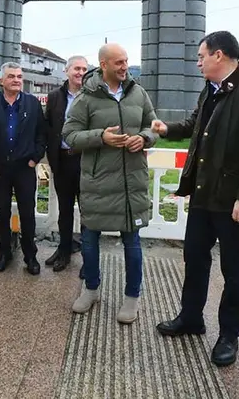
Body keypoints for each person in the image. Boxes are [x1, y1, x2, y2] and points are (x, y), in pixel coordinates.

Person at [153, 31, 239, 367]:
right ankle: (191, 317)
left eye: (201, 57)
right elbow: (196, 125)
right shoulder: (211, 89)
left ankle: (229, 335)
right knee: (195, 258)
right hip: (203, 194)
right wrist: (167, 129)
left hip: (233, 201)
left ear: (219, 55)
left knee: (234, 269)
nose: (198, 63)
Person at [62, 43, 157, 324]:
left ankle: (132, 297)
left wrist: (145, 138)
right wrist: (100, 137)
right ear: (103, 65)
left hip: (131, 182)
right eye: (119, 62)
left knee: (132, 243)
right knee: (90, 241)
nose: (125, 67)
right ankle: (91, 289)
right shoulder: (86, 97)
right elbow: (69, 134)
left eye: (126, 61)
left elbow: (153, 125)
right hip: (98, 183)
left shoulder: (138, 93)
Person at [0, 62, 47, 275]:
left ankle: (30, 255)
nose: (16, 80)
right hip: (0, 168)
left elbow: (42, 133)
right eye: (11, 76)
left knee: (27, 213)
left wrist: (35, 158)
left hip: (24, 166)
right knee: (2, 211)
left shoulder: (32, 103)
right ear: (1, 80)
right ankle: (4, 253)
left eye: (19, 76)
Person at [44, 55, 88, 272]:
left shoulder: (92, 95)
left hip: (86, 161)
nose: (80, 73)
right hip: (62, 160)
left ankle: (89, 258)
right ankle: (64, 250)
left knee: (87, 212)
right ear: (67, 71)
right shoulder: (55, 97)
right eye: (76, 68)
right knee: (65, 210)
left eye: (84, 69)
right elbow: (48, 127)